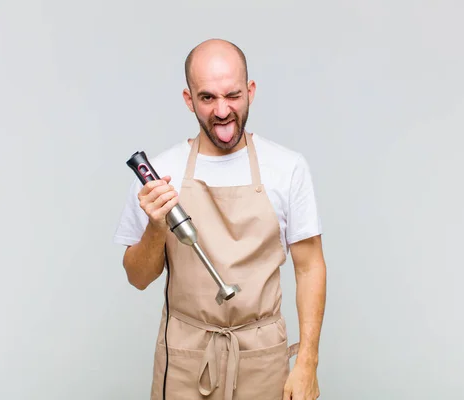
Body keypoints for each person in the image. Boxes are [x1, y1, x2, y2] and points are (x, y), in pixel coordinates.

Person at [113, 38, 327, 400]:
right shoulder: (161, 174)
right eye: (207, 97)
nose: (222, 110)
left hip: (262, 357)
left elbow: (309, 267)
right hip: (186, 359)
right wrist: (155, 226)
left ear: (251, 91)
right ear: (188, 99)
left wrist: (307, 361)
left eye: (233, 95)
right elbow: (137, 277)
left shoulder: (287, 168)